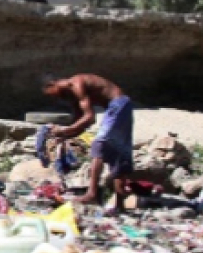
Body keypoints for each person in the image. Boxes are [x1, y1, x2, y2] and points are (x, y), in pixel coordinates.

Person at [42, 74, 134, 212]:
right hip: (120, 107)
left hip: (118, 104)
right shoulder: (72, 97)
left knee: (99, 146)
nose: (57, 99)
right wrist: (64, 136)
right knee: (118, 151)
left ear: (54, 84)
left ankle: (92, 193)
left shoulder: (77, 84)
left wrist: (64, 130)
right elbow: (80, 123)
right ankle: (120, 205)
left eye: (54, 94)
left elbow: (90, 118)